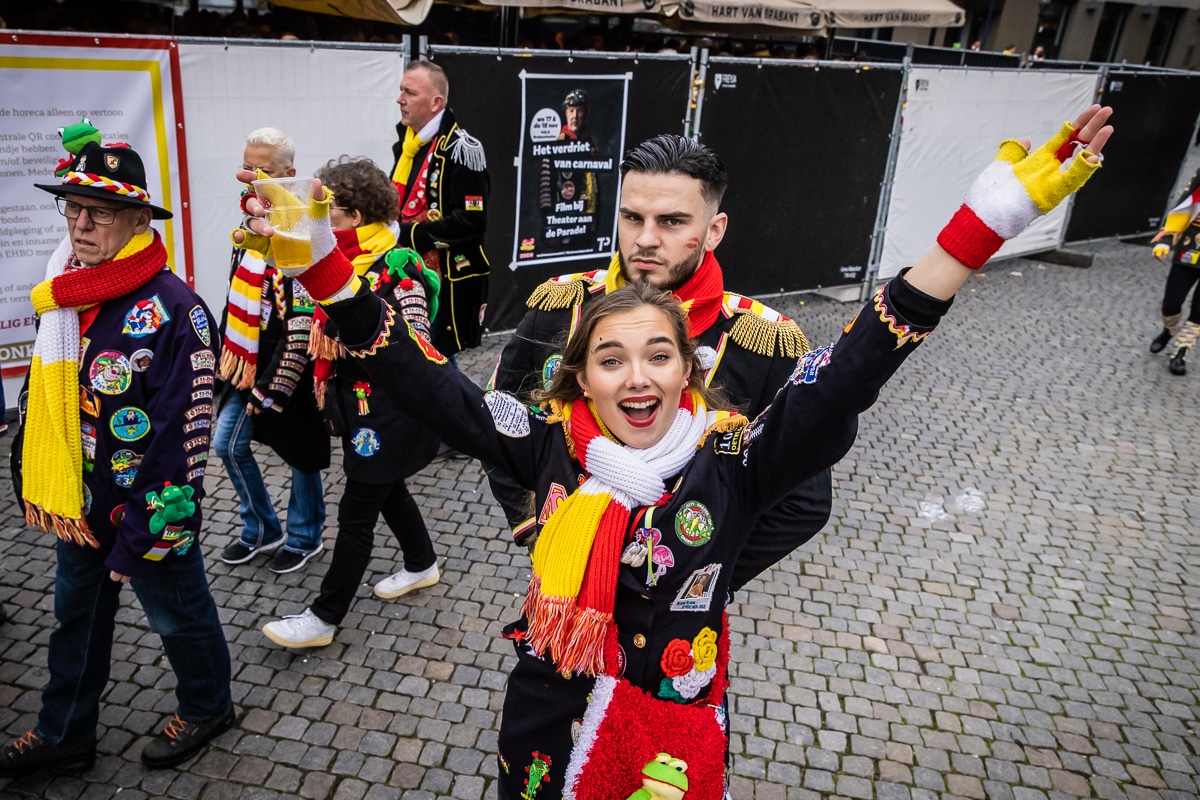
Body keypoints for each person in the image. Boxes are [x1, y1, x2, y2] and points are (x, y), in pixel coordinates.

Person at [238, 105, 1113, 800]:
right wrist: (322, 266)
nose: (636, 378)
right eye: (609, 359)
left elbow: (854, 367)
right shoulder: (544, 440)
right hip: (551, 696)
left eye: (659, 355)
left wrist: (984, 223)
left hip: (672, 706)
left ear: (691, 370)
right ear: (578, 372)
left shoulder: (735, 460)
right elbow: (425, 378)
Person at [489, 134, 833, 593]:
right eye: (632, 218)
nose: (645, 240)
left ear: (715, 230)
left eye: (671, 222)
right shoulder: (558, 307)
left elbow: (804, 502)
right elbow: (498, 422)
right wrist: (539, 531)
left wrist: (694, 573)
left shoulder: (763, 345)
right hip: (563, 581)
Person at [0, 135, 235, 779]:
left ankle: (210, 705)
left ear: (138, 222)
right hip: (78, 502)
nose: (80, 222)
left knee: (177, 617)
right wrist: (35, 471)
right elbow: (46, 397)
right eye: (74, 206)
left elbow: (180, 437)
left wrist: (142, 530)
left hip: (148, 510)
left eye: (99, 211)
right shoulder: (65, 291)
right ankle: (65, 733)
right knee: (73, 621)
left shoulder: (176, 309)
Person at [258, 156, 441, 648]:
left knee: (356, 514)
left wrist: (356, 333)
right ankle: (422, 563)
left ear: (354, 217)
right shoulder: (325, 265)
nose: (319, 223)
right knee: (389, 489)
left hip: (391, 414)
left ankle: (323, 617)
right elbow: (301, 334)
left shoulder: (399, 267)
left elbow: (416, 347)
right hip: (359, 410)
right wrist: (269, 393)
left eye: (328, 215)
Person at [214, 128, 329, 573]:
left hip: (290, 371)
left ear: (289, 174)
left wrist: (273, 386)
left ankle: (305, 535)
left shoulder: (300, 230)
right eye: (248, 167)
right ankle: (261, 527)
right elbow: (235, 298)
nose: (251, 178)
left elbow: (301, 319)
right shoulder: (250, 221)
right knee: (226, 446)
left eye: (263, 170)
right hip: (246, 365)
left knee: (303, 455)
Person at [390, 59, 490, 358]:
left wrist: (405, 234)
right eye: (400, 90)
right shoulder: (407, 144)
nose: (400, 99)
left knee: (436, 359)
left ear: (436, 102)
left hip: (444, 277)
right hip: (408, 271)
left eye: (409, 92)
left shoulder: (462, 149)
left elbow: (471, 222)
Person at [1149, 168, 1200, 375]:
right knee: (1171, 302)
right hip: (1191, 247)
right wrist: (1166, 239)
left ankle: (1181, 352)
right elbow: (1184, 203)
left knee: (1199, 311)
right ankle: (1169, 330)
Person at [539, 88, 599, 249]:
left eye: (579, 111)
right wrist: (550, 226)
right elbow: (545, 187)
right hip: (561, 220)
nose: (575, 116)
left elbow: (596, 184)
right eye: (571, 110)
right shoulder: (555, 143)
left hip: (587, 220)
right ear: (565, 113)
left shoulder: (591, 142)